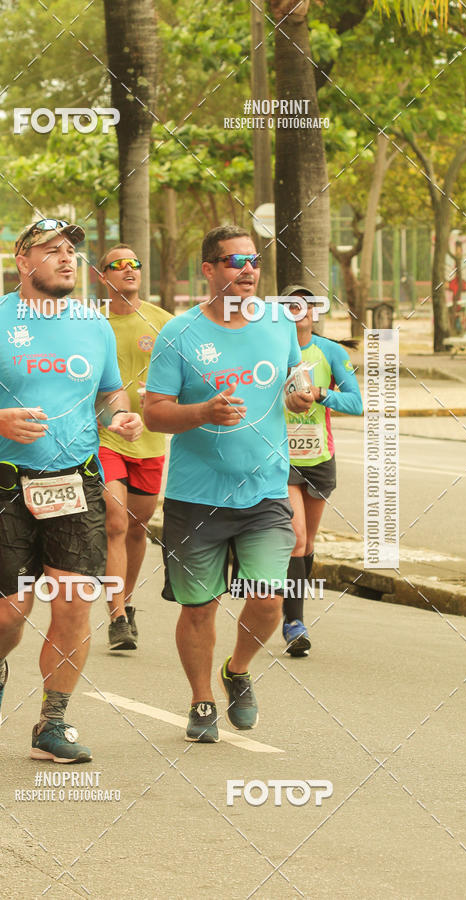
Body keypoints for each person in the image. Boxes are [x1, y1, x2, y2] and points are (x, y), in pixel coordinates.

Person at [0, 219, 142, 763]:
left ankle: (54, 719)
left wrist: (123, 416)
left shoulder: (93, 326)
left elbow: (110, 391)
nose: (67, 259)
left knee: (73, 602)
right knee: (8, 616)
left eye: (71, 251)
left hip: (76, 480)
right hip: (1, 488)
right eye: (52, 250)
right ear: (23, 261)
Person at [143, 225, 313, 744]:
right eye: (234, 261)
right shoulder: (179, 333)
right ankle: (200, 699)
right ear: (209, 270)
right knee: (199, 607)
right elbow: (154, 414)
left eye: (254, 261)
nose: (247, 270)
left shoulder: (278, 324)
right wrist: (202, 411)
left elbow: (292, 381)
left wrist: (299, 396)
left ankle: (237, 670)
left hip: (265, 489)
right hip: (196, 497)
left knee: (268, 597)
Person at [97, 244, 173, 651]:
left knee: (138, 528)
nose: (128, 269)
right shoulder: (93, 324)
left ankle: (127, 601)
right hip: (107, 436)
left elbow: (187, 375)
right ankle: (116, 617)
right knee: (115, 520)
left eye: (135, 264)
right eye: (118, 265)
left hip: (150, 440)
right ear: (102, 276)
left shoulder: (163, 321)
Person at [281, 284, 363, 657]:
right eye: (291, 303)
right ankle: (293, 623)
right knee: (296, 538)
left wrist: (320, 394)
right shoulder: (268, 347)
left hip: (319, 457)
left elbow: (356, 402)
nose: (300, 309)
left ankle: (293, 606)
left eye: (307, 304)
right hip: (281, 458)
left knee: (309, 542)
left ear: (315, 312)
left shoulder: (330, 351)